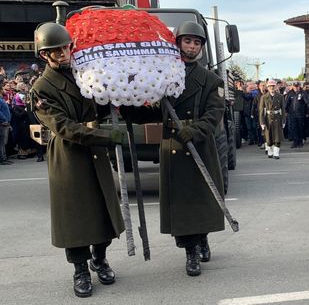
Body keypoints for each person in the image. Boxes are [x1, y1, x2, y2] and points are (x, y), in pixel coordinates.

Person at [30, 22, 125, 297]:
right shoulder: (42, 87)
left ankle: (100, 258)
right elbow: (64, 128)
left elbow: (101, 106)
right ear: (44, 55)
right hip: (69, 155)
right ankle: (80, 270)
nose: (62, 53)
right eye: (54, 50)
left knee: (103, 209)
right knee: (75, 217)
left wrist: (113, 93)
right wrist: (108, 138)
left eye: (65, 47)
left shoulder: (85, 73)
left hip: (94, 151)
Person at [125, 21, 226, 276]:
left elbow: (215, 113)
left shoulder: (210, 80)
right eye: (187, 41)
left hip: (199, 144)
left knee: (201, 199)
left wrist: (192, 131)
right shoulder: (163, 76)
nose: (191, 47)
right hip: (172, 145)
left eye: (196, 42)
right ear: (177, 43)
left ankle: (202, 237)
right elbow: (150, 110)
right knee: (181, 204)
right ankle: (189, 250)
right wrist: (126, 106)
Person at [259, 79, 285, 159]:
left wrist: (283, 121)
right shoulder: (264, 97)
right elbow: (261, 111)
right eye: (270, 86)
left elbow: (283, 109)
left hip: (277, 118)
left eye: (273, 86)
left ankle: (276, 153)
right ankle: (270, 151)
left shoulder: (280, 96)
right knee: (269, 138)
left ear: (276, 86)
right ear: (267, 87)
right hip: (268, 118)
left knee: (277, 137)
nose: (272, 88)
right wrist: (262, 122)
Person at [0, 96, 11, 165]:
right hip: (2, 123)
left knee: (3, 142)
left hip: (5, 123)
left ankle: (4, 157)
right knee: (2, 142)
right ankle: (2, 158)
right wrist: (4, 119)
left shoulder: (1, 99)